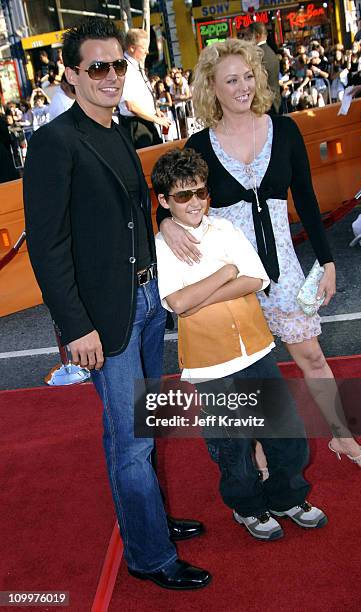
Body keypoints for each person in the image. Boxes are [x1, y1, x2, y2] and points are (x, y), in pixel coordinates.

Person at [23, 17, 210, 591]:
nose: (110, 76)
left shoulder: (121, 131)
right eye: (97, 67)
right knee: (129, 438)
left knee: (144, 425)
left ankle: (149, 518)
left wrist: (162, 228)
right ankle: (150, 555)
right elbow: (49, 248)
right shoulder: (54, 144)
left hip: (148, 301)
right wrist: (75, 327)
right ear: (71, 74)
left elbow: (128, 215)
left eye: (117, 65)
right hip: (106, 316)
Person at [156, 38, 361, 472]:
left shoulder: (286, 130)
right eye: (231, 80)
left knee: (312, 357)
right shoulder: (200, 145)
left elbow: (308, 199)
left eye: (247, 77)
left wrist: (328, 262)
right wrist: (164, 224)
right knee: (248, 372)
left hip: (284, 271)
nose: (242, 87)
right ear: (211, 88)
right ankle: (259, 453)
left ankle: (344, 439)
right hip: (230, 277)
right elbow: (175, 199)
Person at [152, 147, 328, 540]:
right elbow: (177, 303)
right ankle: (247, 508)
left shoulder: (226, 230)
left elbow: (256, 279)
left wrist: (206, 290)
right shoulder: (163, 246)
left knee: (286, 433)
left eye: (200, 192)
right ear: (164, 202)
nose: (194, 202)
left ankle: (287, 498)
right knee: (232, 447)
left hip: (257, 347)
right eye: (182, 196)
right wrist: (226, 272)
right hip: (210, 364)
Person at [118, 28, 170, 148]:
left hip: (146, 121)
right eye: (143, 48)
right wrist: (156, 119)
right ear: (132, 48)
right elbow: (130, 105)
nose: (147, 51)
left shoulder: (135, 66)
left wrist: (154, 111)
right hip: (136, 125)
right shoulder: (125, 69)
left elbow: (141, 95)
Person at [249, 22, 281, 114]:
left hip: (265, 104)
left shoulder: (258, 55)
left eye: (247, 35)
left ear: (257, 36)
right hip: (274, 101)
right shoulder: (270, 52)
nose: (245, 39)